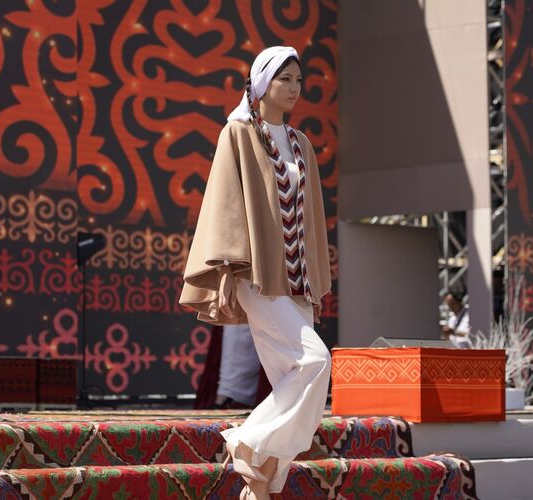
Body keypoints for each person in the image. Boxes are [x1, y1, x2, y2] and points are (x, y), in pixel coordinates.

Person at [180, 46, 332, 499]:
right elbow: (226, 200)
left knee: (295, 384)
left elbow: (311, 219)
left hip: (295, 279)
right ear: (262, 84)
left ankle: (258, 487)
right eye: (285, 79)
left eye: (299, 80)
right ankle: (245, 441)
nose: (295, 88)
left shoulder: (302, 144)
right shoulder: (239, 133)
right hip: (257, 274)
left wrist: (315, 281)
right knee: (315, 361)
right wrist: (228, 268)